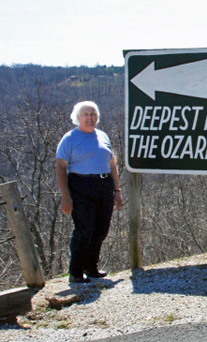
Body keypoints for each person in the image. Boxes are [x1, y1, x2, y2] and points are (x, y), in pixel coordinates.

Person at [55, 101, 123, 284]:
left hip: (104, 185)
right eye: (86, 114)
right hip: (80, 186)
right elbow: (61, 168)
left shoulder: (102, 136)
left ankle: (91, 267)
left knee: (101, 230)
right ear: (77, 117)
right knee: (85, 230)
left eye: (93, 114)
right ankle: (75, 272)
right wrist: (65, 196)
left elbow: (112, 164)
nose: (90, 118)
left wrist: (117, 190)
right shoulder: (69, 139)